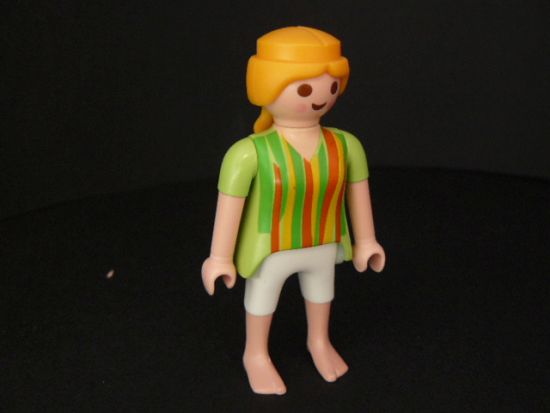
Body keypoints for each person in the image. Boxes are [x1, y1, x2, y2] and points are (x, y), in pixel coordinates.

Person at [201, 26, 385, 395]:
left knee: (321, 293)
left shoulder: (345, 146)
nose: (321, 97)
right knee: (262, 299)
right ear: (266, 87)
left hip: (323, 240)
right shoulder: (249, 153)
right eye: (304, 89)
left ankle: (319, 342)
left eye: (332, 87)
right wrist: (219, 258)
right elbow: (230, 206)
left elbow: (358, 194)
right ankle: (255, 354)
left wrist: (367, 242)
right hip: (270, 248)